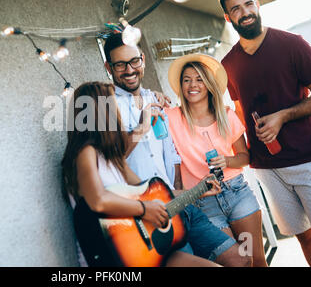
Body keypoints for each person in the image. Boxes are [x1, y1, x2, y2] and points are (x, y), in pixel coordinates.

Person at [102, 33, 252, 266]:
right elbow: (111, 159)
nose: (129, 70)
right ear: (108, 67)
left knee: (240, 259)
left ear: (142, 59)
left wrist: (181, 190)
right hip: (148, 215)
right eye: (120, 64)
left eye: (134, 61)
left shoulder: (155, 99)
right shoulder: (106, 107)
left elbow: (170, 150)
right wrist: (141, 127)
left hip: (181, 205)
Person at [62, 81, 233, 267]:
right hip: (114, 257)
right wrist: (144, 209)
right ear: (101, 112)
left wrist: (199, 190)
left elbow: (154, 195)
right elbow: (98, 200)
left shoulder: (113, 158)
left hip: (143, 248)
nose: (118, 112)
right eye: (113, 104)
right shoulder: (84, 153)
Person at [218, 0, 311, 266]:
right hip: (267, 167)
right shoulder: (228, 64)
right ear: (228, 18)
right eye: (236, 9)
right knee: (304, 237)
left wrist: (283, 116)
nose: (245, 12)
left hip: (309, 158)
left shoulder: (293, 45)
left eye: (249, 4)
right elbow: (239, 113)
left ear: (258, 5)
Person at [165, 53, 267, 266]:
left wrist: (226, 161)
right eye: (187, 80)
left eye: (199, 79)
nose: (193, 85)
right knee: (234, 263)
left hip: (236, 192)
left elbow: (244, 157)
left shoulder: (226, 115)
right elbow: (146, 113)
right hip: (202, 201)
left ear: (209, 84)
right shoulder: (171, 117)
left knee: (255, 260)